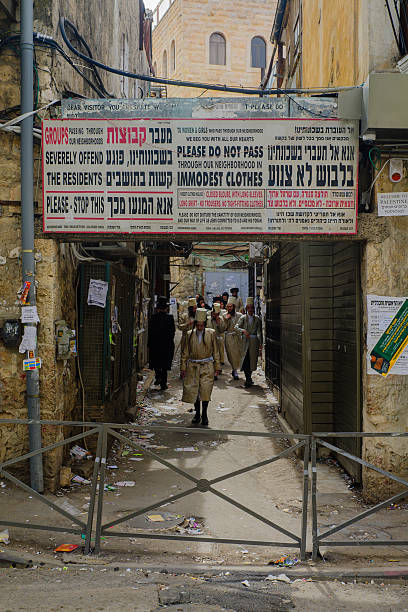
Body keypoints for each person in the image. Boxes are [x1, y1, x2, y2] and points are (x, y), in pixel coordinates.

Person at [180, 308, 221, 427]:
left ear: (204, 324)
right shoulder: (189, 334)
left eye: (201, 325)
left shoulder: (211, 333)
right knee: (195, 391)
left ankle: (205, 414)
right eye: (197, 325)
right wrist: (183, 367)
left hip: (207, 366)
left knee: (205, 390)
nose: (199, 328)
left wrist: (217, 366)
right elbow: (185, 352)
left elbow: (216, 351)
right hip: (193, 366)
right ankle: (197, 413)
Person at [148, 296, 175, 390]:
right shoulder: (170, 318)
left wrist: (150, 344)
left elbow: (150, 332)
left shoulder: (153, 318)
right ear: (166, 308)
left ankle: (158, 376)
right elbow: (172, 333)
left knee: (156, 363)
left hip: (155, 345)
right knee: (164, 365)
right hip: (166, 345)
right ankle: (163, 383)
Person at [235, 297, 263, 387]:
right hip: (245, 342)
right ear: (246, 309)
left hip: (254, 342)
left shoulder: (257, 319)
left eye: (252, 308)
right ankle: (248, 379)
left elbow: (260, 332)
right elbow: (236, 327)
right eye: (249, 308)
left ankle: (249, 377)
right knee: (246, 360)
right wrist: (243, 331)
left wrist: (261, 343)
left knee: (252, 360)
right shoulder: (243, 318)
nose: (250, 310)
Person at [219, 296, 243, 380]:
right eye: (228, 307)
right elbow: (222, 329)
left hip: (238, 337)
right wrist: (226, 320)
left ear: (233, 307)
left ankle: (235, 369)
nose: (229, 308)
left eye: (231, 306)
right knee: (231, 355)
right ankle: (235, 370)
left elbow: (242, 326)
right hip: (229, 338)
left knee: (238, 355)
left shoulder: (239, 315)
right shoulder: (224, 315)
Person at [207, 302, 225, 376]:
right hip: (209, 340)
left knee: (218, 355)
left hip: (218, 339)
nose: (214, 315)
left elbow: (222, 330)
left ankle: (218, 369)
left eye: (216, 314)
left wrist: (218, 323)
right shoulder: (207, 319)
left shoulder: (221, 319)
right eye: (213, 313)